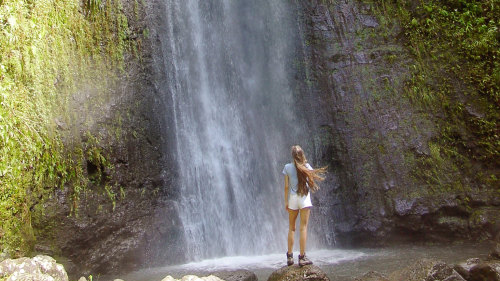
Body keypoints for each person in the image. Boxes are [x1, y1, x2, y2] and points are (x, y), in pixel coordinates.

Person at [282, 145, 326, 266]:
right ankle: (302, 257)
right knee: (303, 228)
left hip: (293, 199)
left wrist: (286, 201)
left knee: (291, 228)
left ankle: (289, 257)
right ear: (302, 155)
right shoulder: (307, 167)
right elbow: (311, 181)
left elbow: (286, 186)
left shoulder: (287, 167)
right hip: (304, 199)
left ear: (292, 156)